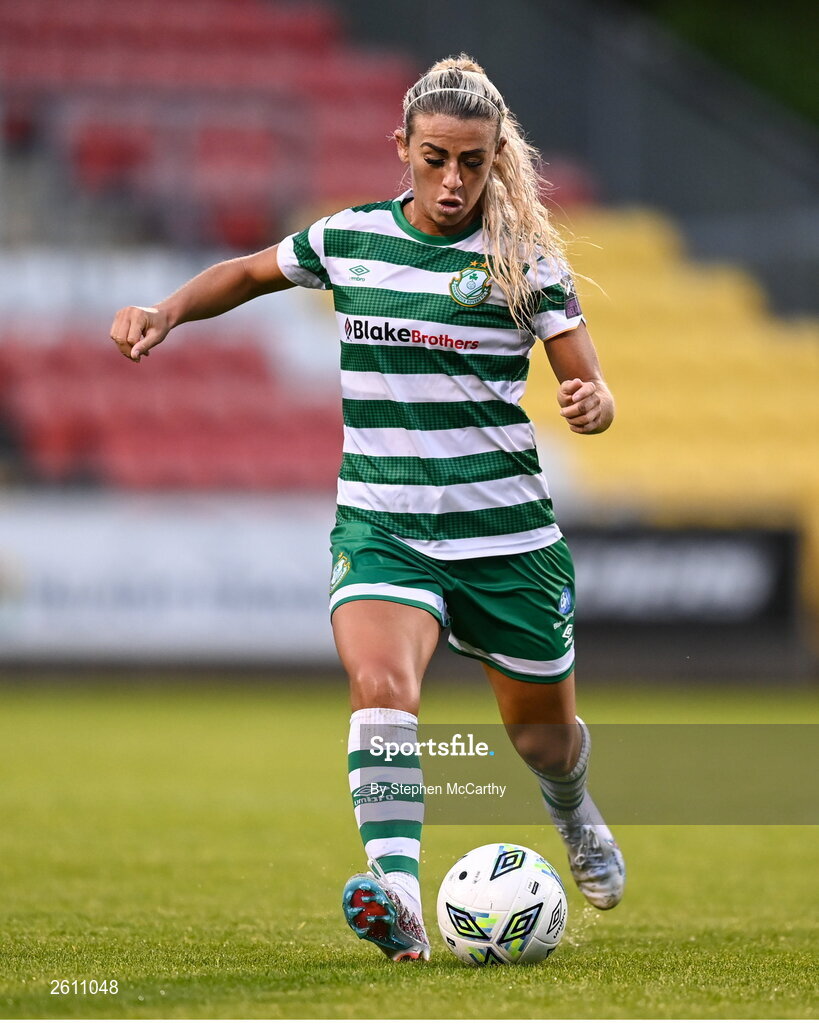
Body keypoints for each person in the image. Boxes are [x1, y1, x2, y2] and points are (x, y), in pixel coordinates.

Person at [110, 54, 625, 964]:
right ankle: (398, 899)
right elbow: (248, 271)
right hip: (382, 530)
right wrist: (168, 310)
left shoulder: (524, 264)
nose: (453, 180)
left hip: (506, 539)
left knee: (542, 740)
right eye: (434, 159)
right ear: (402, 148)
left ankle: (572, 811)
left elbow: (588, 384)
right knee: (382, 693)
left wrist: (592, 404)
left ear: (496, 155)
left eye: (472, 161)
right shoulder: (349, 238)